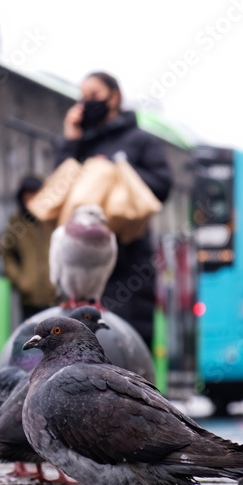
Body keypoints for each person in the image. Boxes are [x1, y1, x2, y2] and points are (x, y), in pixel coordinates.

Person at [54, 71, 173, 348]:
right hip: (80, 264)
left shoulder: (140, 140)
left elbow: (162, 186)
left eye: (94, 95)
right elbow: (58, 189)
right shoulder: (82, 143)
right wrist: (70, 140)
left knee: (124, 344)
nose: (87, 103)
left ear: (114, 97)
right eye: (83, 97)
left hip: (128, 264)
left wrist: (115, 170)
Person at [0, 176, 56, 319]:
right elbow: (6, 254)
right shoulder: (17, 223)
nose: (30, 198)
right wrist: (20, 280)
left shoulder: (52, 219)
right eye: (27, 194)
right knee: (31, 331)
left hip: (55, 296)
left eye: (34, 193)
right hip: (29, 299)